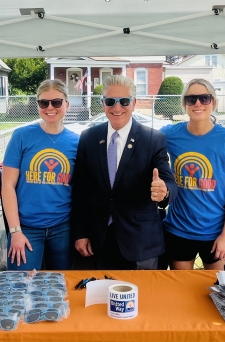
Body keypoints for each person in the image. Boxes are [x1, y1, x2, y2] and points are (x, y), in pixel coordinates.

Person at [71, 75, 177, 270]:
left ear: (134, 103)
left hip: (140, 242)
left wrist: (164, 191)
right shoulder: (88, 138)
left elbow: (168, 182)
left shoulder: (153, 140)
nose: (117, 107)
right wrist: (80, 233)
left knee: (143, 299)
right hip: (98, 242)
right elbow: (80, 190)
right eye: (110, 101)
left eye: (124, 101)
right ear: (103, 104)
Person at [160, 79, 225, 270]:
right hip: (178, 229)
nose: (198, 104)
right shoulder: (170, 134)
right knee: (182, 292)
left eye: (204, 98)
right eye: (191, 99)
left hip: (215, 231)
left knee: (219, 291)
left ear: (213, 102)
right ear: (184, 104)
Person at [2, 80, 79, 270]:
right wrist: (15, 231)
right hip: (26, 227)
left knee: (60, 288)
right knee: (21, 287)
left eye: (56, 102)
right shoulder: (21, 136)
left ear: (67, 105)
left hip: (63, 228)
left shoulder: (77, 142)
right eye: (43, 103)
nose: (50, 107)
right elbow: (8, 185)